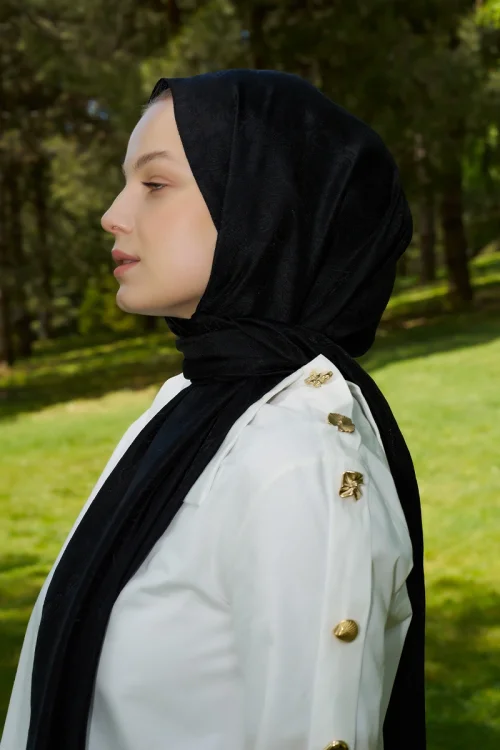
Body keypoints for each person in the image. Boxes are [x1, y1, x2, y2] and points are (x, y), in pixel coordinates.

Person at [1, 70, 425, 750]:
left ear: (264, 206)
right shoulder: (188, 408)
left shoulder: (294, 454)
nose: (112, 214)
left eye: (154, 184)